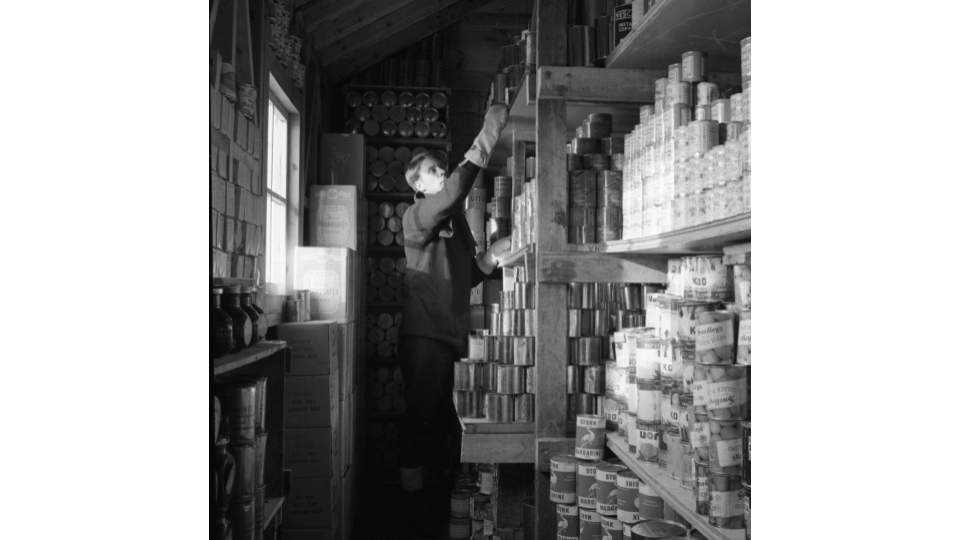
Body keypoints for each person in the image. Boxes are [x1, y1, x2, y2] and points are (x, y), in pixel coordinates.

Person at [396, 103, 513, 536]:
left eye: (442, 167)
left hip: (452, 339)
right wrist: (487, 134)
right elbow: (454, 192)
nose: (442, 172)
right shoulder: (417, 216)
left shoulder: (455, 225)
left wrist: (494, 255)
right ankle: (412, 511)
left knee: (447, 424)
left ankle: (441, 503)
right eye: (433, 170)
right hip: (425, 338)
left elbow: (466, 279)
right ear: (418, 184)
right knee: (420, 422)